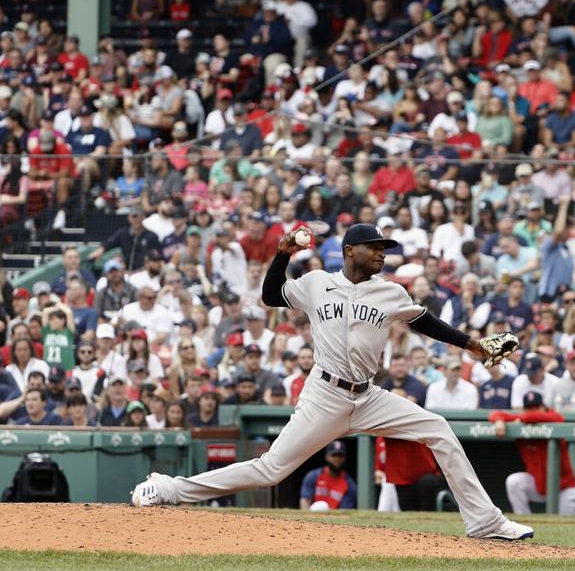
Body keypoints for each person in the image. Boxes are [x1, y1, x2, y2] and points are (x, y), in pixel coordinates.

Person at [131, 223, 532, 540]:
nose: (381, 253)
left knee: (439, 429)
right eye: (374, 247)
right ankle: (170, 489)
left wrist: (473, 345)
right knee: (270, 469)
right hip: (324, 394)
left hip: (369, 397)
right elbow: (271, 296)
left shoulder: (390, 292)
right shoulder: (317, 282)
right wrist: (282, 255)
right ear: (349, 252)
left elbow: (425, 321)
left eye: (383, 248)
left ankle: (484, 522)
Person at [488, 391, 575, 515]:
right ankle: (524, 521)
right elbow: (494, 414)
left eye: (536, 407)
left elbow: (558, 418)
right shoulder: (520, 421)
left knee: (568, 527)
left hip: (563, 486)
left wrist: (521, 418)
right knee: (514, 481)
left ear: (543, 407)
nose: (533, 411)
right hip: (538, 484)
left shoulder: (552, 417)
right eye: (529, 408)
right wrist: (499, 421)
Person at [298, 440, 357, 510]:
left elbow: (344, 511)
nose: (337, 459)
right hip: (312, 516)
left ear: (345, 458)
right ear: (326, 457)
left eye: (340, 456)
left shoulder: (349, 484)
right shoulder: (313, 476)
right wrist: (307, 519)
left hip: (333, 519)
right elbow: (305, 501)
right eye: (334, 455)